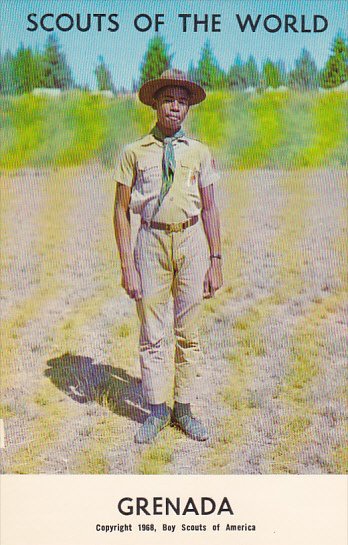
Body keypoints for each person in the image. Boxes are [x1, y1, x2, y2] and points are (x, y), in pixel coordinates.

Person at [113, 69, 223, 444]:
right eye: (167, 99)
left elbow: (210, 207)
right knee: (153, 331)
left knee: (188, 332)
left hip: (191, 241)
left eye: (181, 100)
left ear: (188, 107)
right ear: (156, 104)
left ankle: (185, 408)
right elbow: (120, 209)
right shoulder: (133, 152)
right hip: (151, 244)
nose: (174, 106)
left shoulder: (199, 152)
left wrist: (216, 259)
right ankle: (158, 408)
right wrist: (127, 265)